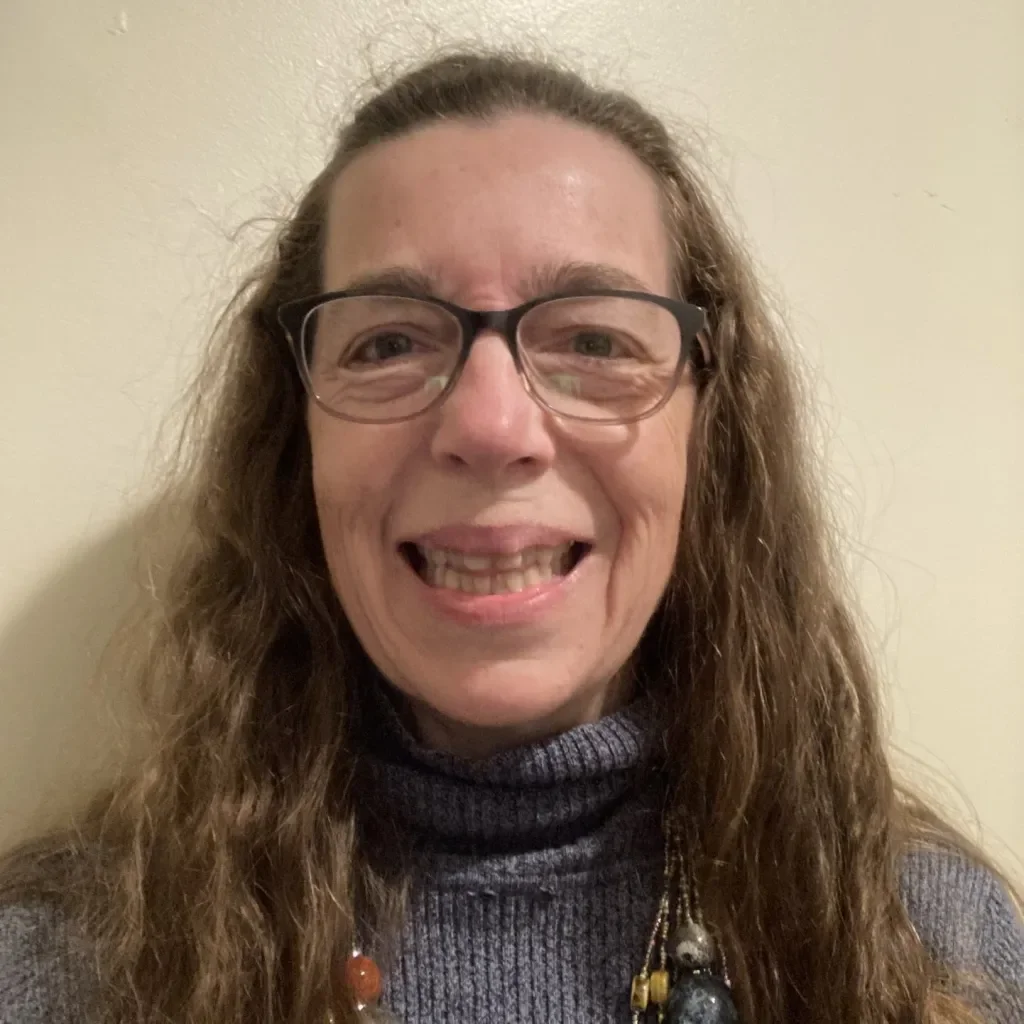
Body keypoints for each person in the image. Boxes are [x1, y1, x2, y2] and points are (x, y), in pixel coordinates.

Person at [0, 47, 1021, 1024]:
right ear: (293, 434)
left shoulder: (938, 950)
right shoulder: (61, 971)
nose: (490, 428)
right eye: (389, 340)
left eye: (592, 338)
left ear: (707, 427)